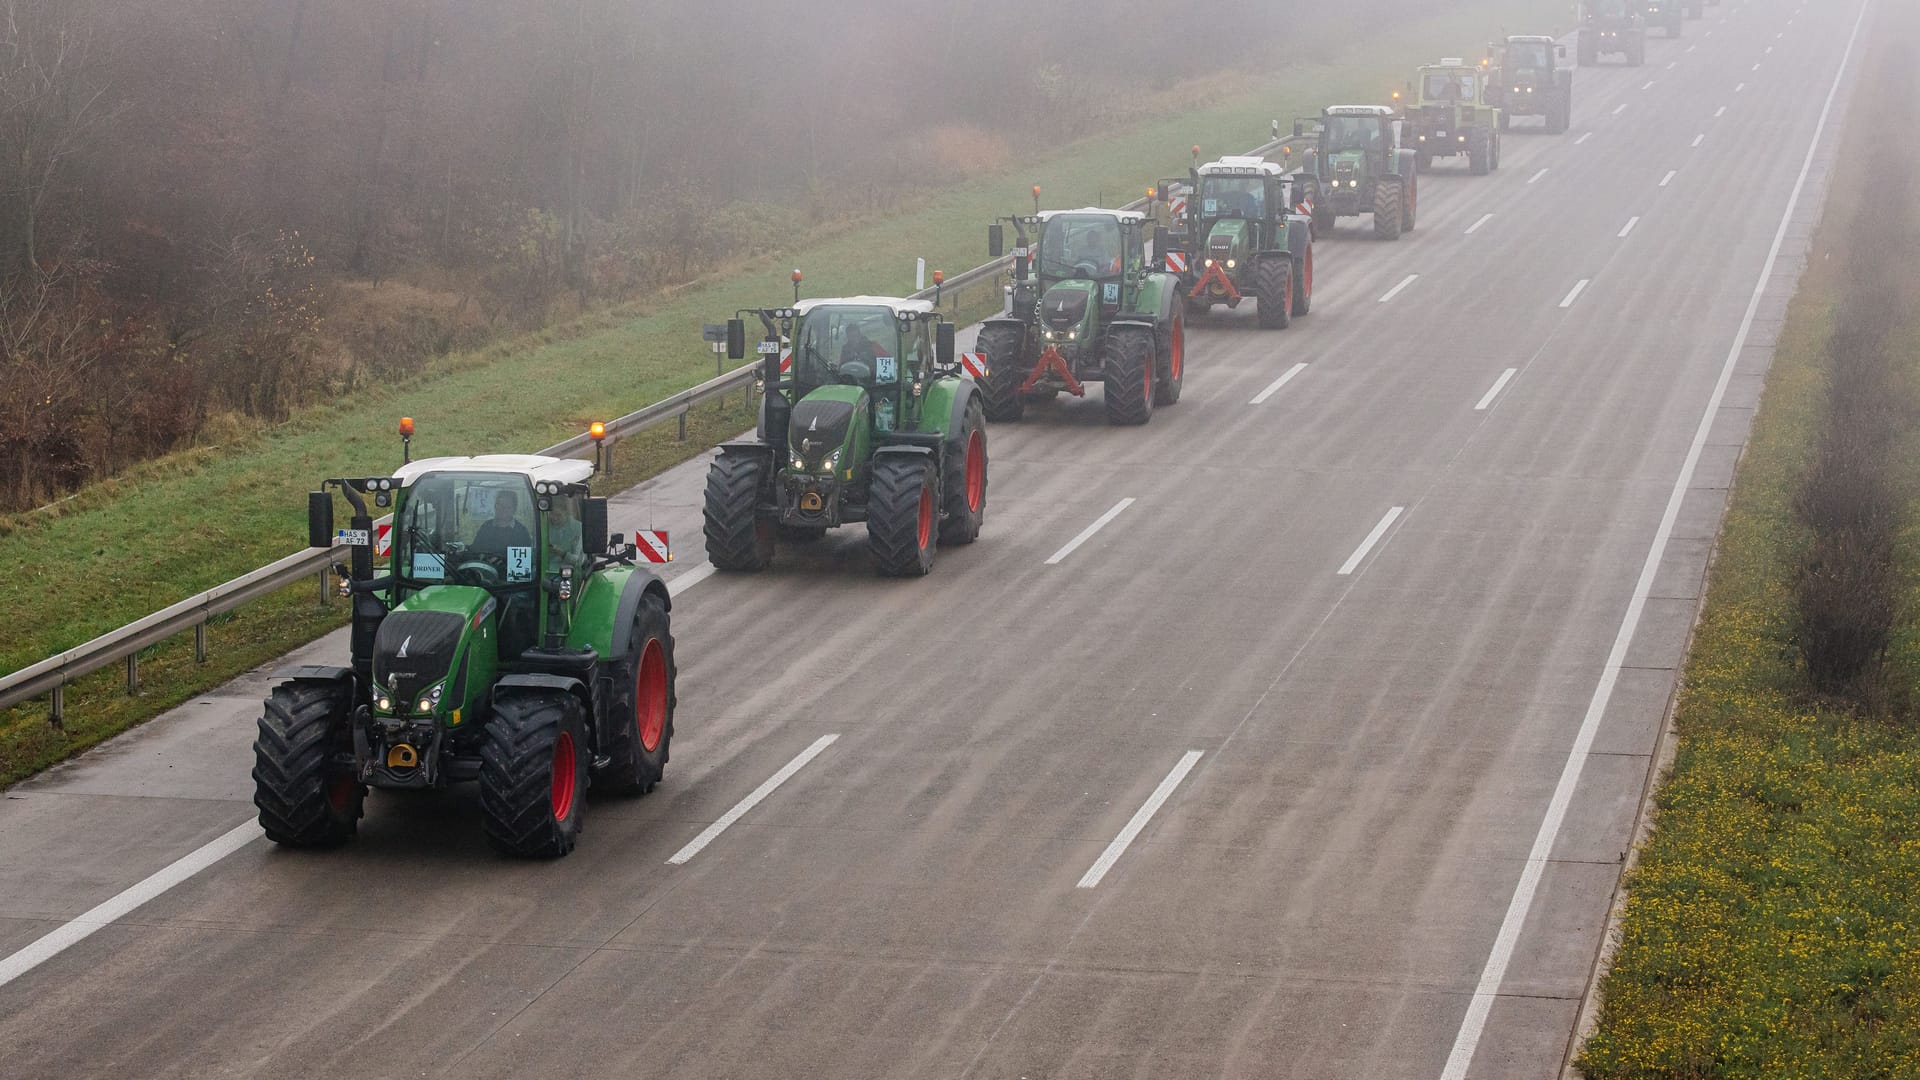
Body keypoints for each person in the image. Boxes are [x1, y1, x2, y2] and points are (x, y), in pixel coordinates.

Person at [470, 488, 533, 557]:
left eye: (507, 507)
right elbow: (475, 551)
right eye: (500, 505)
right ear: (495, 506)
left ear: (514, 509)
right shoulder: (486, 527)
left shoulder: (521, 532)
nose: (503, 509)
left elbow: (524, 561)